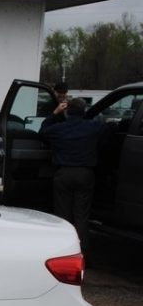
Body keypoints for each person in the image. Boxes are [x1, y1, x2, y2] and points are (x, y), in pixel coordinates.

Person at [38, 97, 102, 251]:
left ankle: (64, 250)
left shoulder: (58, 129)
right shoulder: (93, 127)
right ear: (84, 111)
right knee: (81, 216)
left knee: (63, 216)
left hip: (63, 173)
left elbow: (43, 131)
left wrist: (55, 113)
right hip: (85, 174)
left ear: (66, 111)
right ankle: (82, 252)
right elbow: (108, 126)